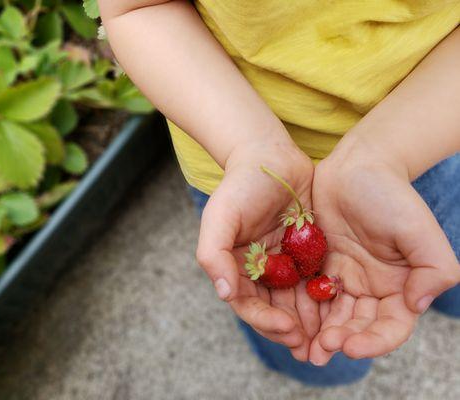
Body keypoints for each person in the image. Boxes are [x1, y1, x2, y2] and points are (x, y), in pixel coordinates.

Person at [99, 0, 460, 386]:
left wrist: (385, 154)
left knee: (444, 261)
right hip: (247, 175)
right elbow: (139, 8)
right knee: (314, 347)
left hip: (433, 131)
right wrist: (250, 148)